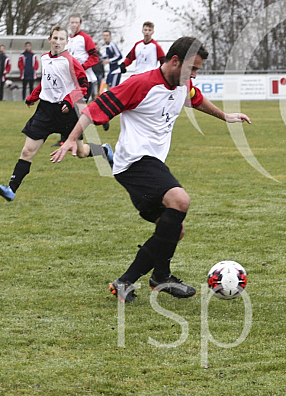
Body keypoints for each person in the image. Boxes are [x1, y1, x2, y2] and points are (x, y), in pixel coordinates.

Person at [50, 36, 251, 303]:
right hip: (134, 162)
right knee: (180, 200)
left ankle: (141, 279)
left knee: (173, 230)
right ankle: (154, 278)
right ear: (175, 61)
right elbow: (95, 108)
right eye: (192, 69)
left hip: (150, 164)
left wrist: (225, 116)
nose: (194, 75)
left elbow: (195, 98)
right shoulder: (141, 84)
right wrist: (72, 139)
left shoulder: (183, 84)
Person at [0, 25, 113, 202]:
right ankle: (11, 189)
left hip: (67, 113)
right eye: (55, 38)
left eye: (61, 39)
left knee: (81, 152)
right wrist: (32, 97)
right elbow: (46, 82)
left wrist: (68, 100)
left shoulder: (71, 61)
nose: (57, 42)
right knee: (27, 151)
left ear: (67, 41)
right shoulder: (44, 59)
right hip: (45, 112)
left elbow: (83, 86)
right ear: (50, 40)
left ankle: (103, 150)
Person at [66, 15, 99, 101]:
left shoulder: (86, 38)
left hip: (85, 78)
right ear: (68, 24)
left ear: (80, 24)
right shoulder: (66, 39)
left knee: (80, 107)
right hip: (70, 78)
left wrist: (81, 67)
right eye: (72, 22)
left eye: (76, 22)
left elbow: (94, 57)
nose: (74, 25)